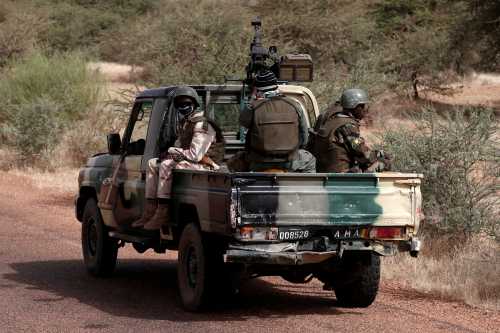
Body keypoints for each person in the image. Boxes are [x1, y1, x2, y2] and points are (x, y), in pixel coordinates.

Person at [132, 86, 224, 231]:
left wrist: (172, 151)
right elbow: (180, 145)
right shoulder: (187, 122)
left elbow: (195, 155)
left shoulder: (201, 124)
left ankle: (163, 211)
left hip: (207, 166)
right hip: (192, 162)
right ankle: (150, 210)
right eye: (180, 104)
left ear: (194, 104)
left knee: (167, 165)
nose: (184, 106)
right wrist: (170, 152)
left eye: (187, 103)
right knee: (152, 163)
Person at [236, 69, 315, 173]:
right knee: (310, 160)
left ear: (257, 90)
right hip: (289, 161)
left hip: (259, 162)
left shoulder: (254, 108)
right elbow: (305, 138)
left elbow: (243, 122)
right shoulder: (294, 105)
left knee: (236, 161)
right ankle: (308, 188)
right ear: (276, 86)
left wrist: (252, 100)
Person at [308, 88, 391, 173]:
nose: (365, 110)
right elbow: (363, 154)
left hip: (324, 172)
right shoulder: (347, 126)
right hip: (341, 175)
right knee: (384, 162)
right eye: (363, 106)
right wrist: (380, 154)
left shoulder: (332, 120)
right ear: (356, 107)